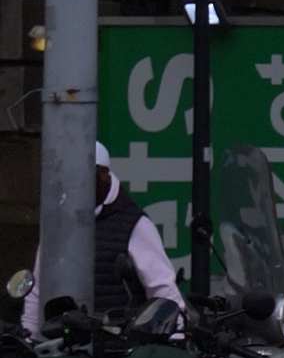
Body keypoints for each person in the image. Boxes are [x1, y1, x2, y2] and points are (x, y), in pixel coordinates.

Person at [21, 141, 184, 335]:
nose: (76, 186)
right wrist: (28, 337)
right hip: (63, 348)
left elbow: (162, 288)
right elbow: (38, 288)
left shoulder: (133, 224)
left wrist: (176, 335)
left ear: (103, 174)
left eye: (83, 177)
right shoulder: (57, 224)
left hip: (118, 350)